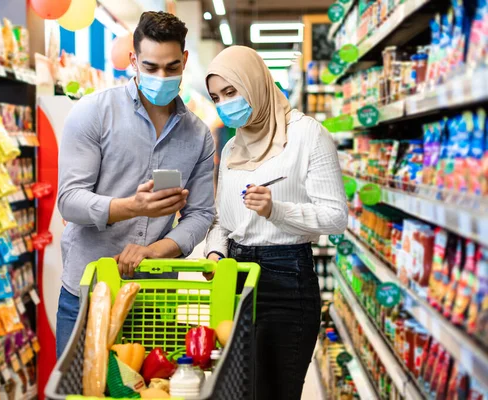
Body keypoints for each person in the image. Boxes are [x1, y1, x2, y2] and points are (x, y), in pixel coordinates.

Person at [56, 11, 216, 358]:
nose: (162, 76)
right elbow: (69, 200)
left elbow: (200, 214)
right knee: (79, 392)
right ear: (133, 60)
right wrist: (131, 207)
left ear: (185, 60)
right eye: (151, 67)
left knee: (148, 389)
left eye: (172, 68)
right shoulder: (93, 113)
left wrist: (153, 251)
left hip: (154, 298)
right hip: (89, 290)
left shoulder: (198, 135)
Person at [204, 46, 348, 399]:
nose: (225, 104)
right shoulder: (234, 146)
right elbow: (222, 220)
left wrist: (276, 211)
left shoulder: (307, 134)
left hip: (286, 280)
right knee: (237, 390)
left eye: (231, 92)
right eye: (216, 97)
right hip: (234, 278)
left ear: (254, 83)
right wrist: (214, 253)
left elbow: (336, 217)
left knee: (275, 391)